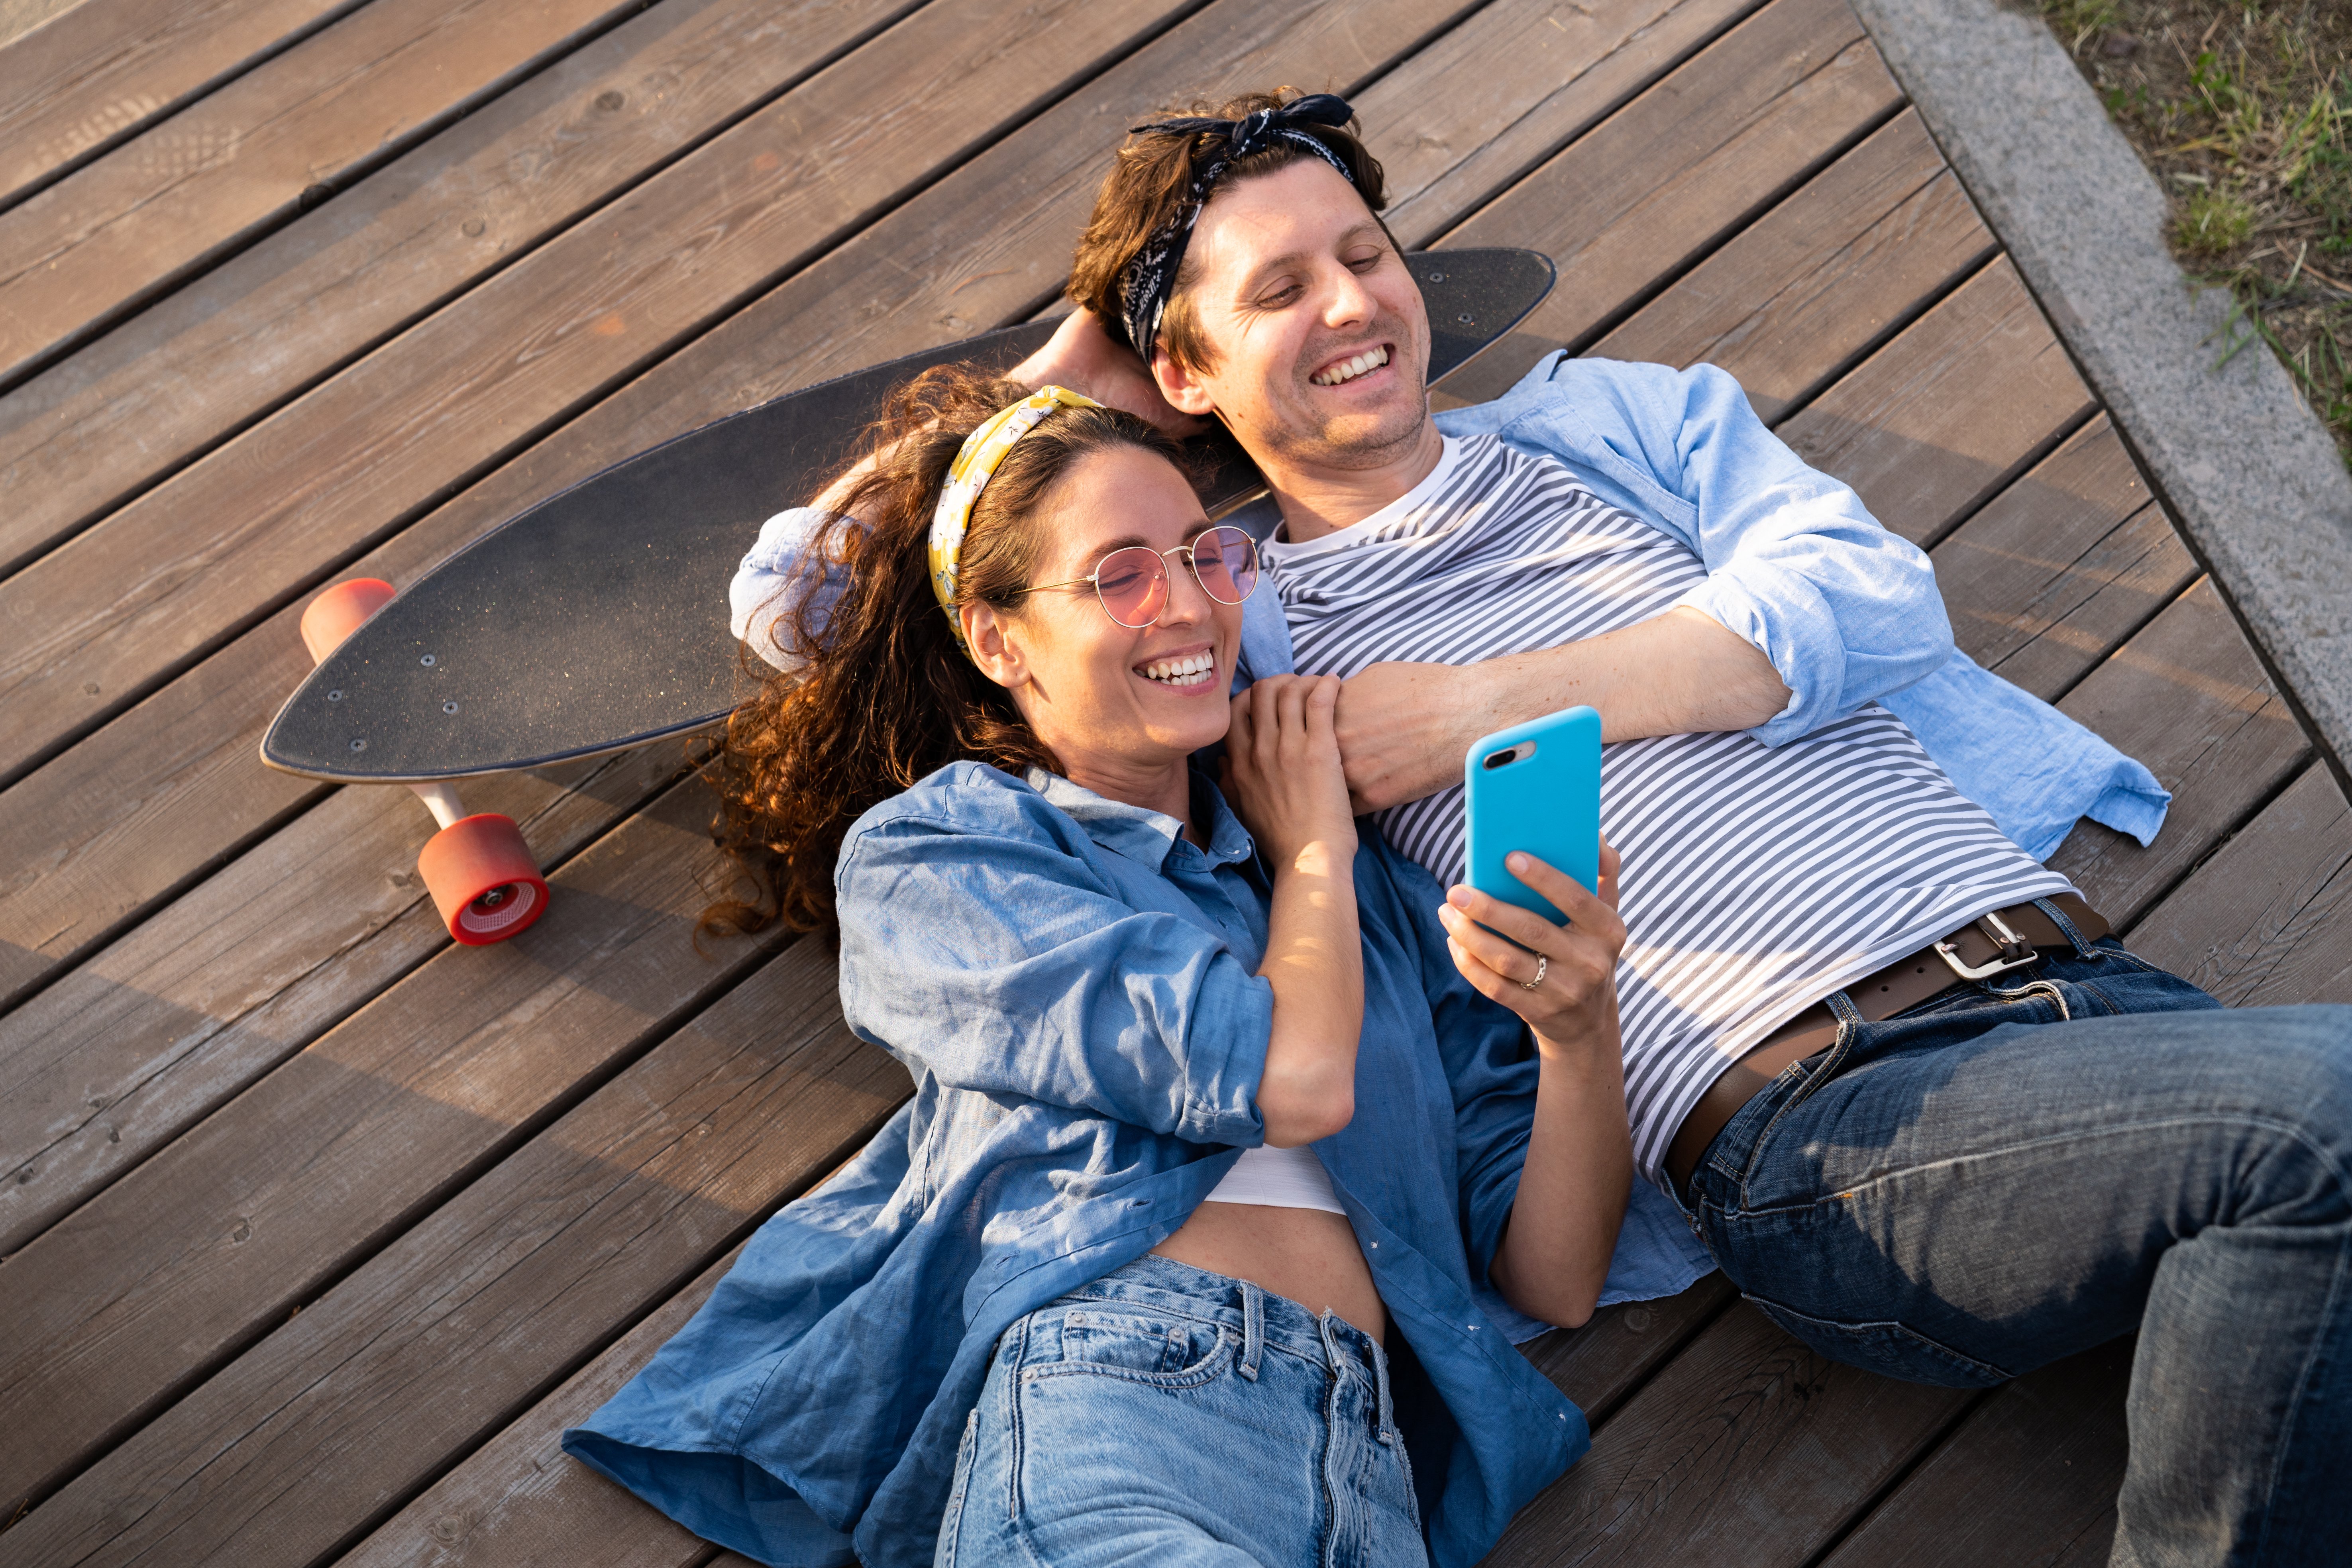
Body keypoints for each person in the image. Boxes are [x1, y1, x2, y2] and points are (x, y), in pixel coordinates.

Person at [732, 91, 2352, 1564]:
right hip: (1837, 1112)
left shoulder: (1622, 429)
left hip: (2084, 997)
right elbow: (803, 605)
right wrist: (1075, 387)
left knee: (2314, 1211)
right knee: (2332, 1126)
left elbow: (1863, 597)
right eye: (1276, 292)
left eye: (1366, 255)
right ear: (1186, 374)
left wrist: (1478, 708)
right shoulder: (1243, 624)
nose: (1353, 303)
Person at [565, 368, 1647, 1568]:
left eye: (1203, 557)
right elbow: (1293, 1082)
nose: (1186, 607)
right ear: (997, 638)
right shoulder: (950, 852)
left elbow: (1555, 1277)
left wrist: (1577, 1028)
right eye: (1119, 574)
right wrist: (1315, 851)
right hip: (1125, 1396)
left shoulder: (1363, 907)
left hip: (1367, 1460)